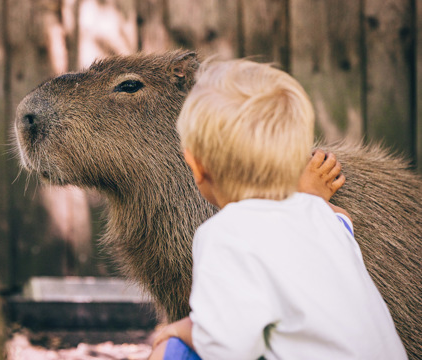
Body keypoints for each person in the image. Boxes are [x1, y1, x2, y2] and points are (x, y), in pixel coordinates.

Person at [149, 60, 407, 360]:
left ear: (195, 164)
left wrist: (178, 330)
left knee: (172, 351)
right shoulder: (322, 215)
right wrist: (312, 199)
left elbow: (226, 346)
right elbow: (343, 220)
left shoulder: (225, 233)